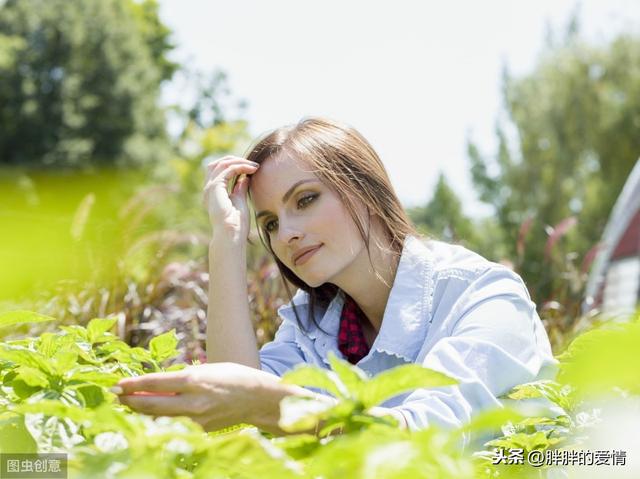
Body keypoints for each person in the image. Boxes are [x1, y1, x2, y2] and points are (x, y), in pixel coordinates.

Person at [115, 117, 558, 436]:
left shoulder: (481, 295)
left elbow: (433, 437)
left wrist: (278, 406)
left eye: (305, 200)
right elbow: (234, 415)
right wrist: (227, 241)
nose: (286, 233)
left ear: (365, 189)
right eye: (268, 223)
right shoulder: (313, 325)